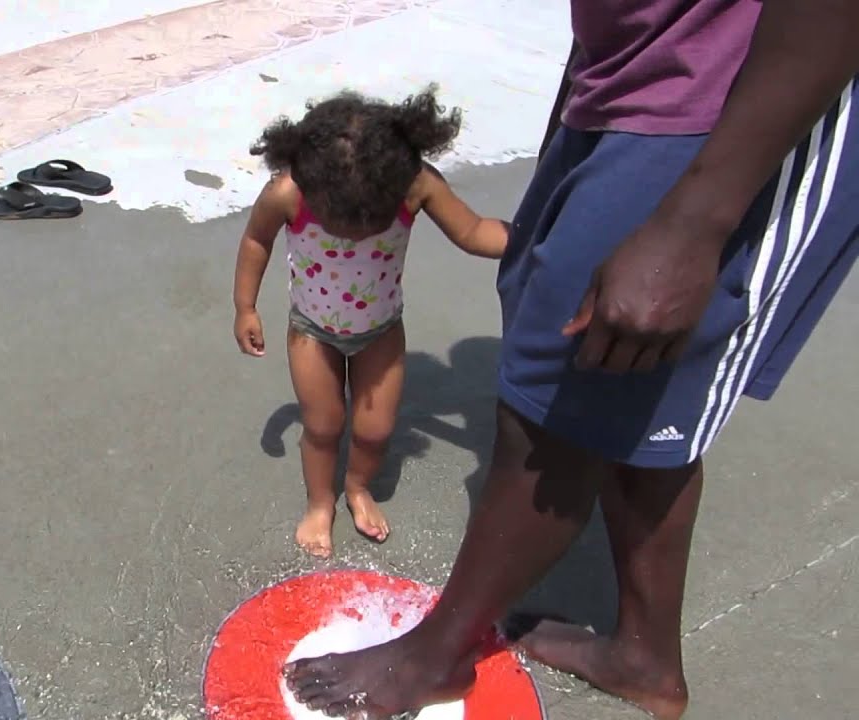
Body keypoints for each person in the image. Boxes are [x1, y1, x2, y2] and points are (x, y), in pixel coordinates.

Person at [283, 1, 859, 718]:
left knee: (558, 400)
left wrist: (695, 221)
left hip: (731, 116)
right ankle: (644, 656)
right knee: (641, 396)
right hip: (618, 90)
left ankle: (436, 656)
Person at [232, 87, 508, 558]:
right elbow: (257, 240)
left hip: (381, 332)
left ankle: (359, 488)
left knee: (375, 429)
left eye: (369, 223)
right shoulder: (288, 191)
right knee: (322, 425)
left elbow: (474, 231)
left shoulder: (413, 183)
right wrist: (245, 307)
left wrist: (543, 241)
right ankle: (321, 503)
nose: (356, 231)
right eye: (342, 222)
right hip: (311, 332)